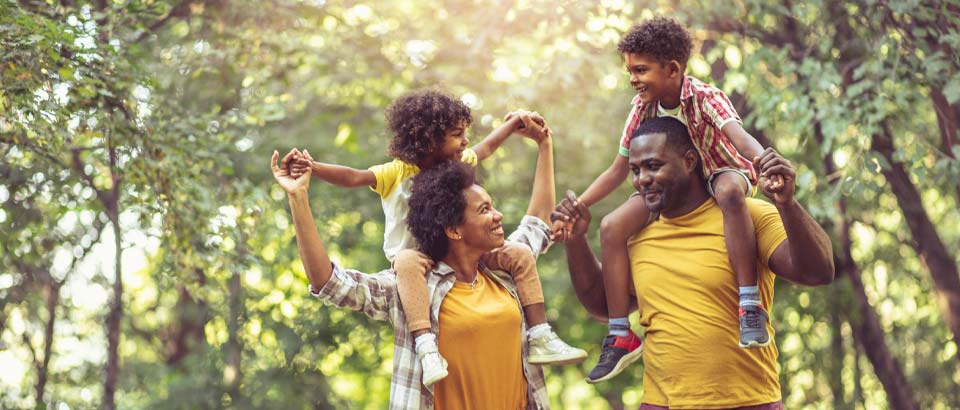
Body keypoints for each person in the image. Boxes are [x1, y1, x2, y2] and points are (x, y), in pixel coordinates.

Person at [287, 89, 585, 387]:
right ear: (453, 227)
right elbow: (331, 277)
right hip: (413, 265)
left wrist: (536, 137)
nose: (498, 216)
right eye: (484, 209)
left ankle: (541, 334)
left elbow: (531, 215)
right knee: (407, 261)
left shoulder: (502, 271)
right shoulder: (410, 286)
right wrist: (306, 182)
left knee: (519, 252)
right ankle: (426, 345)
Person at [554, 116, 834, 408]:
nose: (641, 179)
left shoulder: (745, 217)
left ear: (689, 161)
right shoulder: (635, 237)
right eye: (635, 170)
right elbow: (603, 306)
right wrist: (576, 241)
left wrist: (787, 204)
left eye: (653, 166)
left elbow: (818, 271)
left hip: (749, 402)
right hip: (661, 403)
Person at [563, 17, 780, 383]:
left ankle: (748, 305)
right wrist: (577, 205)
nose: (633, 78)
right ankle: (620, 334)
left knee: (728, 193)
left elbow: (738, 137)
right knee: (612, 226)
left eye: (641, 70)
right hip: (670, 185)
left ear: (673, 69)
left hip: (722, 171)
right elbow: (618, 170)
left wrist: (766, 163)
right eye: (630, 70)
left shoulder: (705, 97)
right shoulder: (642, 107)